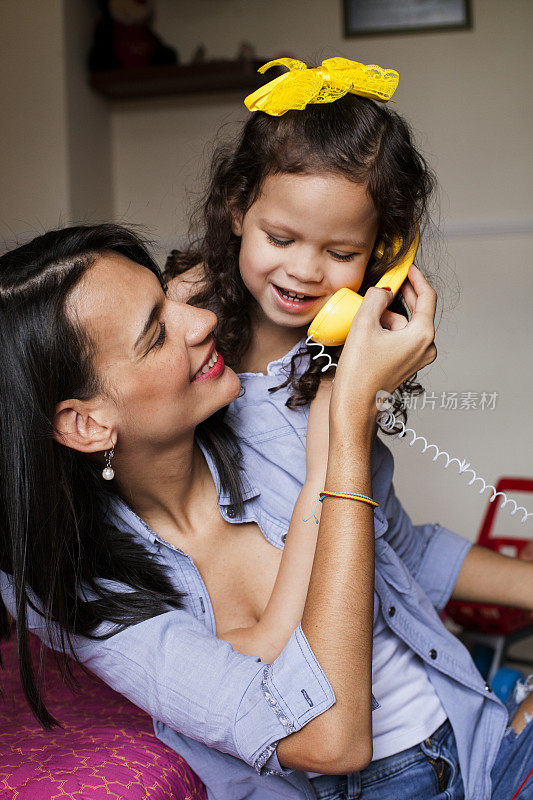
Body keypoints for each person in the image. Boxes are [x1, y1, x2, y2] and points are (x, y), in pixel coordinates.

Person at [165, 58, 533, 798]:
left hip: (441, 726)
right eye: (280, 236)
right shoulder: (183, 382)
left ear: (384, 259)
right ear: (235, 207)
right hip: (338, 767)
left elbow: (393, 546)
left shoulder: (337, 378)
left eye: (340, 254)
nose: (304, 272)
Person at [0, 223, 440, 800]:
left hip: (453, 730)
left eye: (169, 298)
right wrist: (342, 448)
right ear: (87, 423)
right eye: (156, 334)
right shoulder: (65, 580)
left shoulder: (274, 413)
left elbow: (406, 553)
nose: (202, 321)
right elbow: (331, 741)